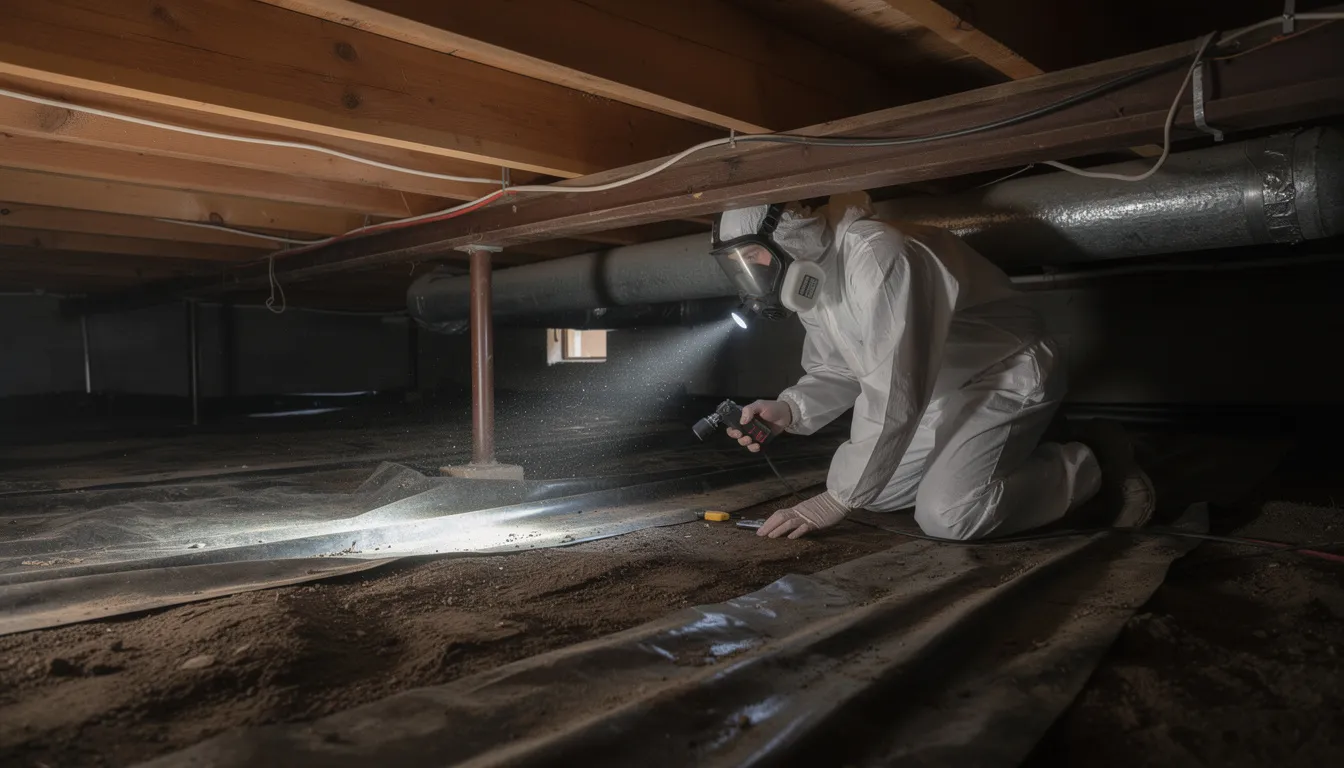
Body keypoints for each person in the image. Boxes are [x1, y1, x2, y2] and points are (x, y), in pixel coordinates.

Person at [714, 193, 1154, 540]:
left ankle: (1090, 460)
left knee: (949, 515)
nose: (752, 276)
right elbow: (842, 368)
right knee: (875, 493)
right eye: (739, 267)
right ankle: (1015, 447)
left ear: (789, 234)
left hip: (1003, 372)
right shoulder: (816, 278)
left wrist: (836, 501)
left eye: (753, 257)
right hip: (938, 388)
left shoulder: (878, 256)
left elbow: (895, 388)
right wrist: (790, 409)